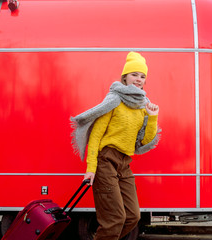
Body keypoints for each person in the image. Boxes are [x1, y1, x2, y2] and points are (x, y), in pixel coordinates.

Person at [71, 52, 160, 240]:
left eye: (143, 76)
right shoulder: (114, 100)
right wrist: (91, 168)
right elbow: (95, 135)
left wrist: (152, 118)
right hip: (106, 160)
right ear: (125, 76)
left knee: (133, 216)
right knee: (115, 218)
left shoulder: (143, 105)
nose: (139, 79)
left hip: (124, 163)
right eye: (135, 74)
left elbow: (144, 141)